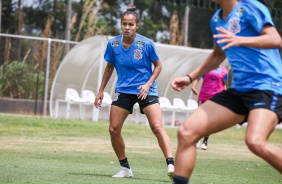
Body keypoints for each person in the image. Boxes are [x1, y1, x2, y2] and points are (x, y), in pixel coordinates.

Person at [170, 0, 282, 183]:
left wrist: (240, 40)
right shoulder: (216, 19)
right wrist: (190, 77)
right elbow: (217, 54)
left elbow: (276, 39)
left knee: (255, 141)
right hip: (239, 90)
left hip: (267, 86)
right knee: (187, 132)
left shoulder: (250, 7)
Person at [94, 5, 174, 180]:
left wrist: (147, 84)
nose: (127, 27)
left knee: (157, 127)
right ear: (121, 25)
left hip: (146, 90)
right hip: (123, 90)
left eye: (131, 24)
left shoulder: (146, 44)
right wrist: (100, 91)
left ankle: (171, 164)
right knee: (113, 129)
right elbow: (109, 68)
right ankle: (125, 168)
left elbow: (158, 66)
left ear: (137, 25)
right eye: (124, 24)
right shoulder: (113, 44)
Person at [191, 66, 228, 150]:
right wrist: (194, 86)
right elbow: (198, 77)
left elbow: (224, 84)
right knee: (200, 119)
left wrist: (225, 96)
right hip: (204, 97)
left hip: (216, 98)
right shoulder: (207, 68)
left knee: (210, 121)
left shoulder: (224, 71)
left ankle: (205, 141)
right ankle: (197, 139)